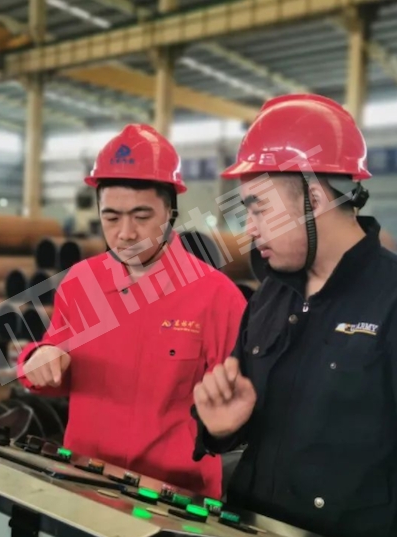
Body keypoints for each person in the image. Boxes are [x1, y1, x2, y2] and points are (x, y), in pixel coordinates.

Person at [190, 94, 397, 537]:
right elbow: (247, 420)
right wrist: (221, 430)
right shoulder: (270, 297)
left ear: (314, 198)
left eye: (258, 208)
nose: (248, 228)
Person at [17, 124, 247, 499]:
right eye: (111, 217)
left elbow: (240, 406)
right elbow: (54, 369)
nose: (126, 233)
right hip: (84, 482)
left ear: (170, 211)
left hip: (175, 497)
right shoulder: (81, 282)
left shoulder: (217, 297)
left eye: (141, 217)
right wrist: (37, 359)